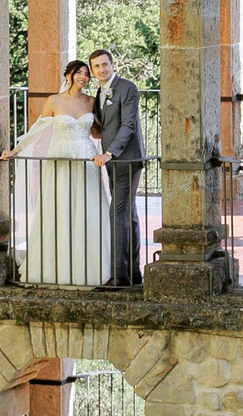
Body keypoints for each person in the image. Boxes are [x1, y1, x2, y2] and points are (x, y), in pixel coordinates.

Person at [8, 60, 107, 285]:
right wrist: (16, 150)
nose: (83, 77)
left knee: (87, 211)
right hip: (60, 159)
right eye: (79, 73)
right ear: (69, 75)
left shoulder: (91, 101)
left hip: (86, 160)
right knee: (59, 210)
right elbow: (39, 128)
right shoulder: (54, 100)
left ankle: (90, 269)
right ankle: (56, 267)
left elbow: (99, 132)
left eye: (86, 74)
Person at [89, 48, 146, 287]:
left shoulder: (127, 88)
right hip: (112, 161)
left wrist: (110, 152)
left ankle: (119, 275)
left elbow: (128, 125)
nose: (102, 69)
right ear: (92, 71)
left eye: (105, 64)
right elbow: (104, 126)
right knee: (128, 214)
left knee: (118, 214)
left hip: (127, 159)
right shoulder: (99, 93)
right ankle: (134, 272)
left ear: (113, 65)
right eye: (97, 66)